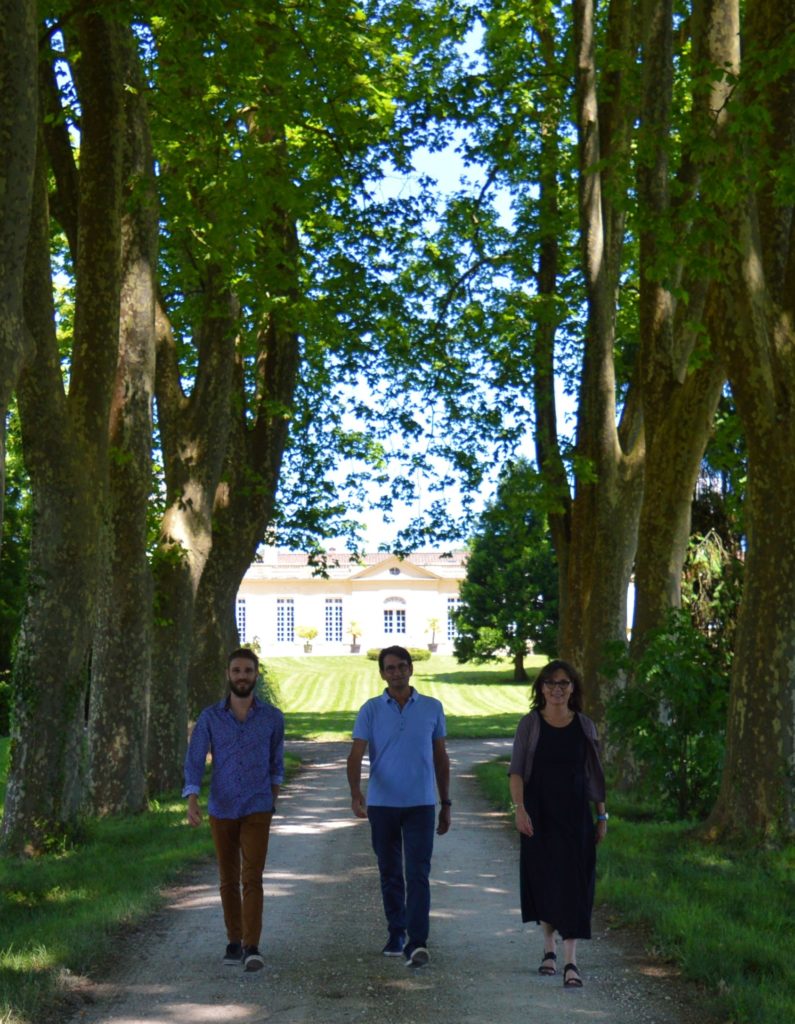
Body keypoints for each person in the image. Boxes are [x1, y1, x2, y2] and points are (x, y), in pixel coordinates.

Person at [347, 645, 451, 967]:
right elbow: (355, 755)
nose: (396, 672)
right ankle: (396, 932)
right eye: (390, 668)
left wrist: (445, 802)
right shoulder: (371, 710)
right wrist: (355, 793)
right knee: (390, 872)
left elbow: (440, 757)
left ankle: (418, 941)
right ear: (382, 673)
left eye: (401, 666)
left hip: (421, 803)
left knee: (418, 872)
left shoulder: (432, 708)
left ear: (411, 669)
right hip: (382, 804)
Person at [183, 647, 284, 972]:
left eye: (248, 671)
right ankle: (233, 939)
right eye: (237, 671)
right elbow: (195, 759)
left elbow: (276, 762)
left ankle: (252, 946)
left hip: (257, 806)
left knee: (252, 877)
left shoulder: (271, 717)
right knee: (228, 878)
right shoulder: (211, 717)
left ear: (256, 675)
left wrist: (273, 797)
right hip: (222, 807)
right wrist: (193, 798)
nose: (242, 676)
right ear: (228, 675)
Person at [508, 659, 607, 988]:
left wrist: (602, 815)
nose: (557, 689)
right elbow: (517, 771)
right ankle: (548, 950)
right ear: (541, 689)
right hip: (539, 813)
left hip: (576, 815)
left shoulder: (585, 726)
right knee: (546, 880)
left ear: (573, 688)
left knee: (576, 883)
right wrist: (520, 810)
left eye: (563, 683)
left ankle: (571, 961)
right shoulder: (530, 725)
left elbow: (595, 777)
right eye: (550, 683)